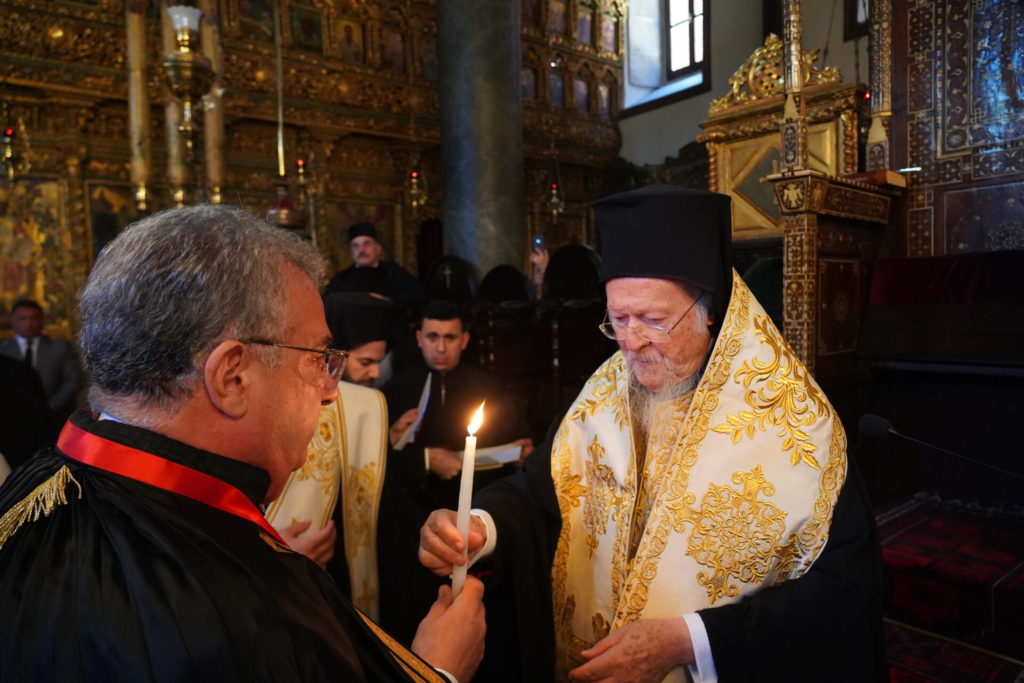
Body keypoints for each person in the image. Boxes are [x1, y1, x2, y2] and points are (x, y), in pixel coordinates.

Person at [418, 186, 886, 682]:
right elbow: (541, 493)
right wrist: (480, 526)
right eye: (617, 318)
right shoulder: (604, 391)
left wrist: (693, 640)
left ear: (711, 312)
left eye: (653, 320)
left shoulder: (797, 426)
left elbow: (843, 595)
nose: (631, 342)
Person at [0, 205, 484, 683]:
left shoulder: (33, 485)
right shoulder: (244, 612)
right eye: (319, 357)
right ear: (232, 377)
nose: (331, 390)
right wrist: (439, 671)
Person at [266, 290, 436, 645]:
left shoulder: (367, 407)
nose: (374, 373)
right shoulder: (291, 405)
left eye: (379, 361)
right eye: (364, 362)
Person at [384, 299, 534, 511]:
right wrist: (423, 459)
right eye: (432, 337)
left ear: (464, 340)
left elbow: (518, 435)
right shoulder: (396, 388)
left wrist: (526, 449)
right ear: (419, 339)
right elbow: (379, 459)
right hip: (414, 503)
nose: (441, 348)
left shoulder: (487, 387)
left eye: (450, 338)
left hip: (477, 498)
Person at [0, 298, 83, 424]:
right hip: (13, 421)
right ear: (13, 321)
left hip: (55, 418)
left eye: (34, 318)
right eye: (23, 318)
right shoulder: (3, 351)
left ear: (42, 320)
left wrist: (49, 407)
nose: (29, 323)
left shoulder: (60, 348)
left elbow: (73, 381)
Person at [327, 222, 428, 310]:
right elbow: (328, 302)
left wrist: (387, 300)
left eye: (367, 244)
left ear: (377, 248)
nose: (361, 250)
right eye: (355, 245)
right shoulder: (342, 279)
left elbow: (420, 295)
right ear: (351, 251)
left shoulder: (393, 272)